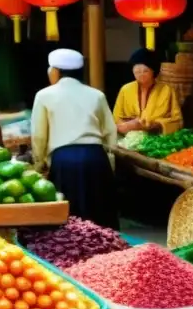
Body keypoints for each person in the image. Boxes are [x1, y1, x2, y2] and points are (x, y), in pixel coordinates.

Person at [31, 49, 119, 228]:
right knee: (101, 218)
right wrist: (110, 164)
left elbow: (39, 135)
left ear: (55, 71)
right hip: (96, 159)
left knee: (69, 221)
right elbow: (110, 132)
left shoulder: (44, 95)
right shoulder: (97, 95)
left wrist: (39, 164)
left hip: (65, 161)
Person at [113, 48, 183, 135]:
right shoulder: (125, 89)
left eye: (145, 71)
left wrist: (154, 126)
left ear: (153, 71)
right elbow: (116, 118)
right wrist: (126, 125)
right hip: (128, 138)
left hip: (156, 140)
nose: (141, 75)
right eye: (137, 72)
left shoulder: (167, 90)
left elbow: (177, 121)